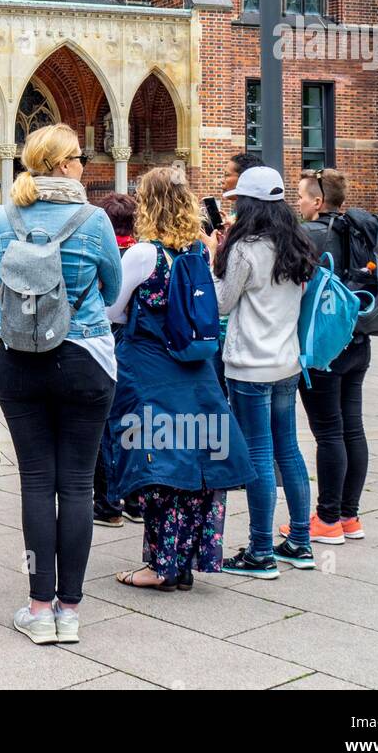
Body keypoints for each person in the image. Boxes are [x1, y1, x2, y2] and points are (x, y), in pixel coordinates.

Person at [0, 125, 122, 644]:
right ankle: (70, 609)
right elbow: (111, 289)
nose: (85, 164)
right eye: (80, 157)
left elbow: (1, 276)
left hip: (20, 359)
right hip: (85, 354)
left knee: (38, 483)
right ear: (63, 165)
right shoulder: (93, 221)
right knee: (79, 484)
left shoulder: (1, 217)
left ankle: (39, 608)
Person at [104, 166, 255, 594]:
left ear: (146, 204)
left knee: (159, 469)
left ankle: (160, 565)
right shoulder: (197, 252)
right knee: (195, 465)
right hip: (197, 373)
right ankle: (183, 561)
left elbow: (114, 310)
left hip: (150, 370)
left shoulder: (142, 255)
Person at [203, 166, 318, 579]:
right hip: (287, 361)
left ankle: (259, 551)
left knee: (258, 455)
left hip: (250, 365)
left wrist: (213, 252)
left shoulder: (244, 248)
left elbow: (220, 304)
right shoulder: (298, 243)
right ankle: (300, 542)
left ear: (248, 205)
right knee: (288, 449)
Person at [291, 168, 371, 543]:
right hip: (358, 343)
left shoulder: (308, 234)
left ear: (319, 202)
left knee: (328, 433)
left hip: (323, 348)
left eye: (303, 197)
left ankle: (326, 520)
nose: (299, 203)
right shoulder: (361, 230)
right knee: (352, 428)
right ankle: (349, 516)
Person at [92, 191, 140, 527]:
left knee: (106, 424)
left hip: (109, 337)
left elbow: (109, 304)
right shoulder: (145, 252)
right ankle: (136, 501)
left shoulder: (104, 252)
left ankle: (108, 505)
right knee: (133, 423)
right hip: (139, 344)